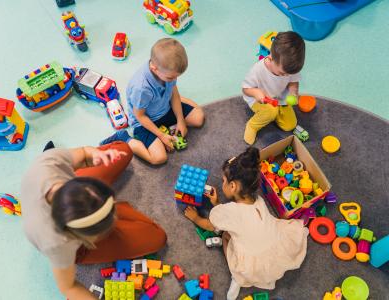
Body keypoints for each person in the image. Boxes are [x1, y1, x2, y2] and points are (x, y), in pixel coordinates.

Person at [20, 142, 167, 299]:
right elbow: (68, 288)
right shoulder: (57, 243)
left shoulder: (50, 162)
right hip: (72, 243)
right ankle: (91, 241)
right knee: (158, 238)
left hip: (73, 198)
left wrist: (94, 156)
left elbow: (83, 152)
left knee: (122, 149)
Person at [184, 147, 308, 300]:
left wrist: (195, 217)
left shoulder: (228, 211)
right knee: (246, 230)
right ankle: (241, 276)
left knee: (225, 236)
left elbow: (210, 225)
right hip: (275, 248)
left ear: (233, 186)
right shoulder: (259, 200)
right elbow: (236, 218)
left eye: (223, 181)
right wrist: (217, 204)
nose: (222, 184)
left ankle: (237, 277)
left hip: (253, 264)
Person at [101, 38, 205, 165]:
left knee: (199, 118)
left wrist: (180, 120)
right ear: (154, 68)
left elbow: (174, 92)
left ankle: (166, 104)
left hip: (164, 108)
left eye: (177, 76)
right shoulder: (142, 88)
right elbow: (140, 116)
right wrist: (161, 135)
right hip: (144, 121)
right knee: (159, 158)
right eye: (171, 77)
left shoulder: (166, 71)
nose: (174, 79)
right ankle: (124, 138)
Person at [242, 31, 305, 145]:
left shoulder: (289, 67)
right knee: (271, 111)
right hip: (259, 100)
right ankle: (252, 125)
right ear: (271, 58)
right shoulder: (258, 70)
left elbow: (294, 81)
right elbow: (245, 89)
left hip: (279, 98)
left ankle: (276, 113)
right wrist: (256, 92)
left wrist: (293, 93)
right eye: (282, 73)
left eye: (288, 74)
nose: (286, 76)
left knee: (290, 125)